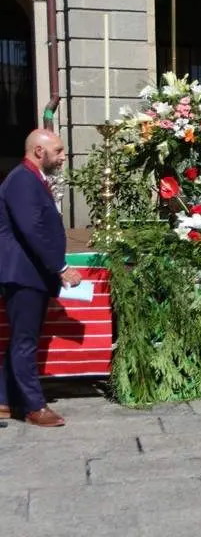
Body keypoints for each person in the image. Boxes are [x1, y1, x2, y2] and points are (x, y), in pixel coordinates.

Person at [0, 129, 82, 427]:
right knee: (25, 342)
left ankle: (4, 400)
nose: (63, 157)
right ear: (38, 151)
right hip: (23, 274)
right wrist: (60, 267)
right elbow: (32, 229)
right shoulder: (22, 179)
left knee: (21, 340)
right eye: (58, 151)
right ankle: (34, 407)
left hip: (28, 273)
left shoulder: (30, 177)